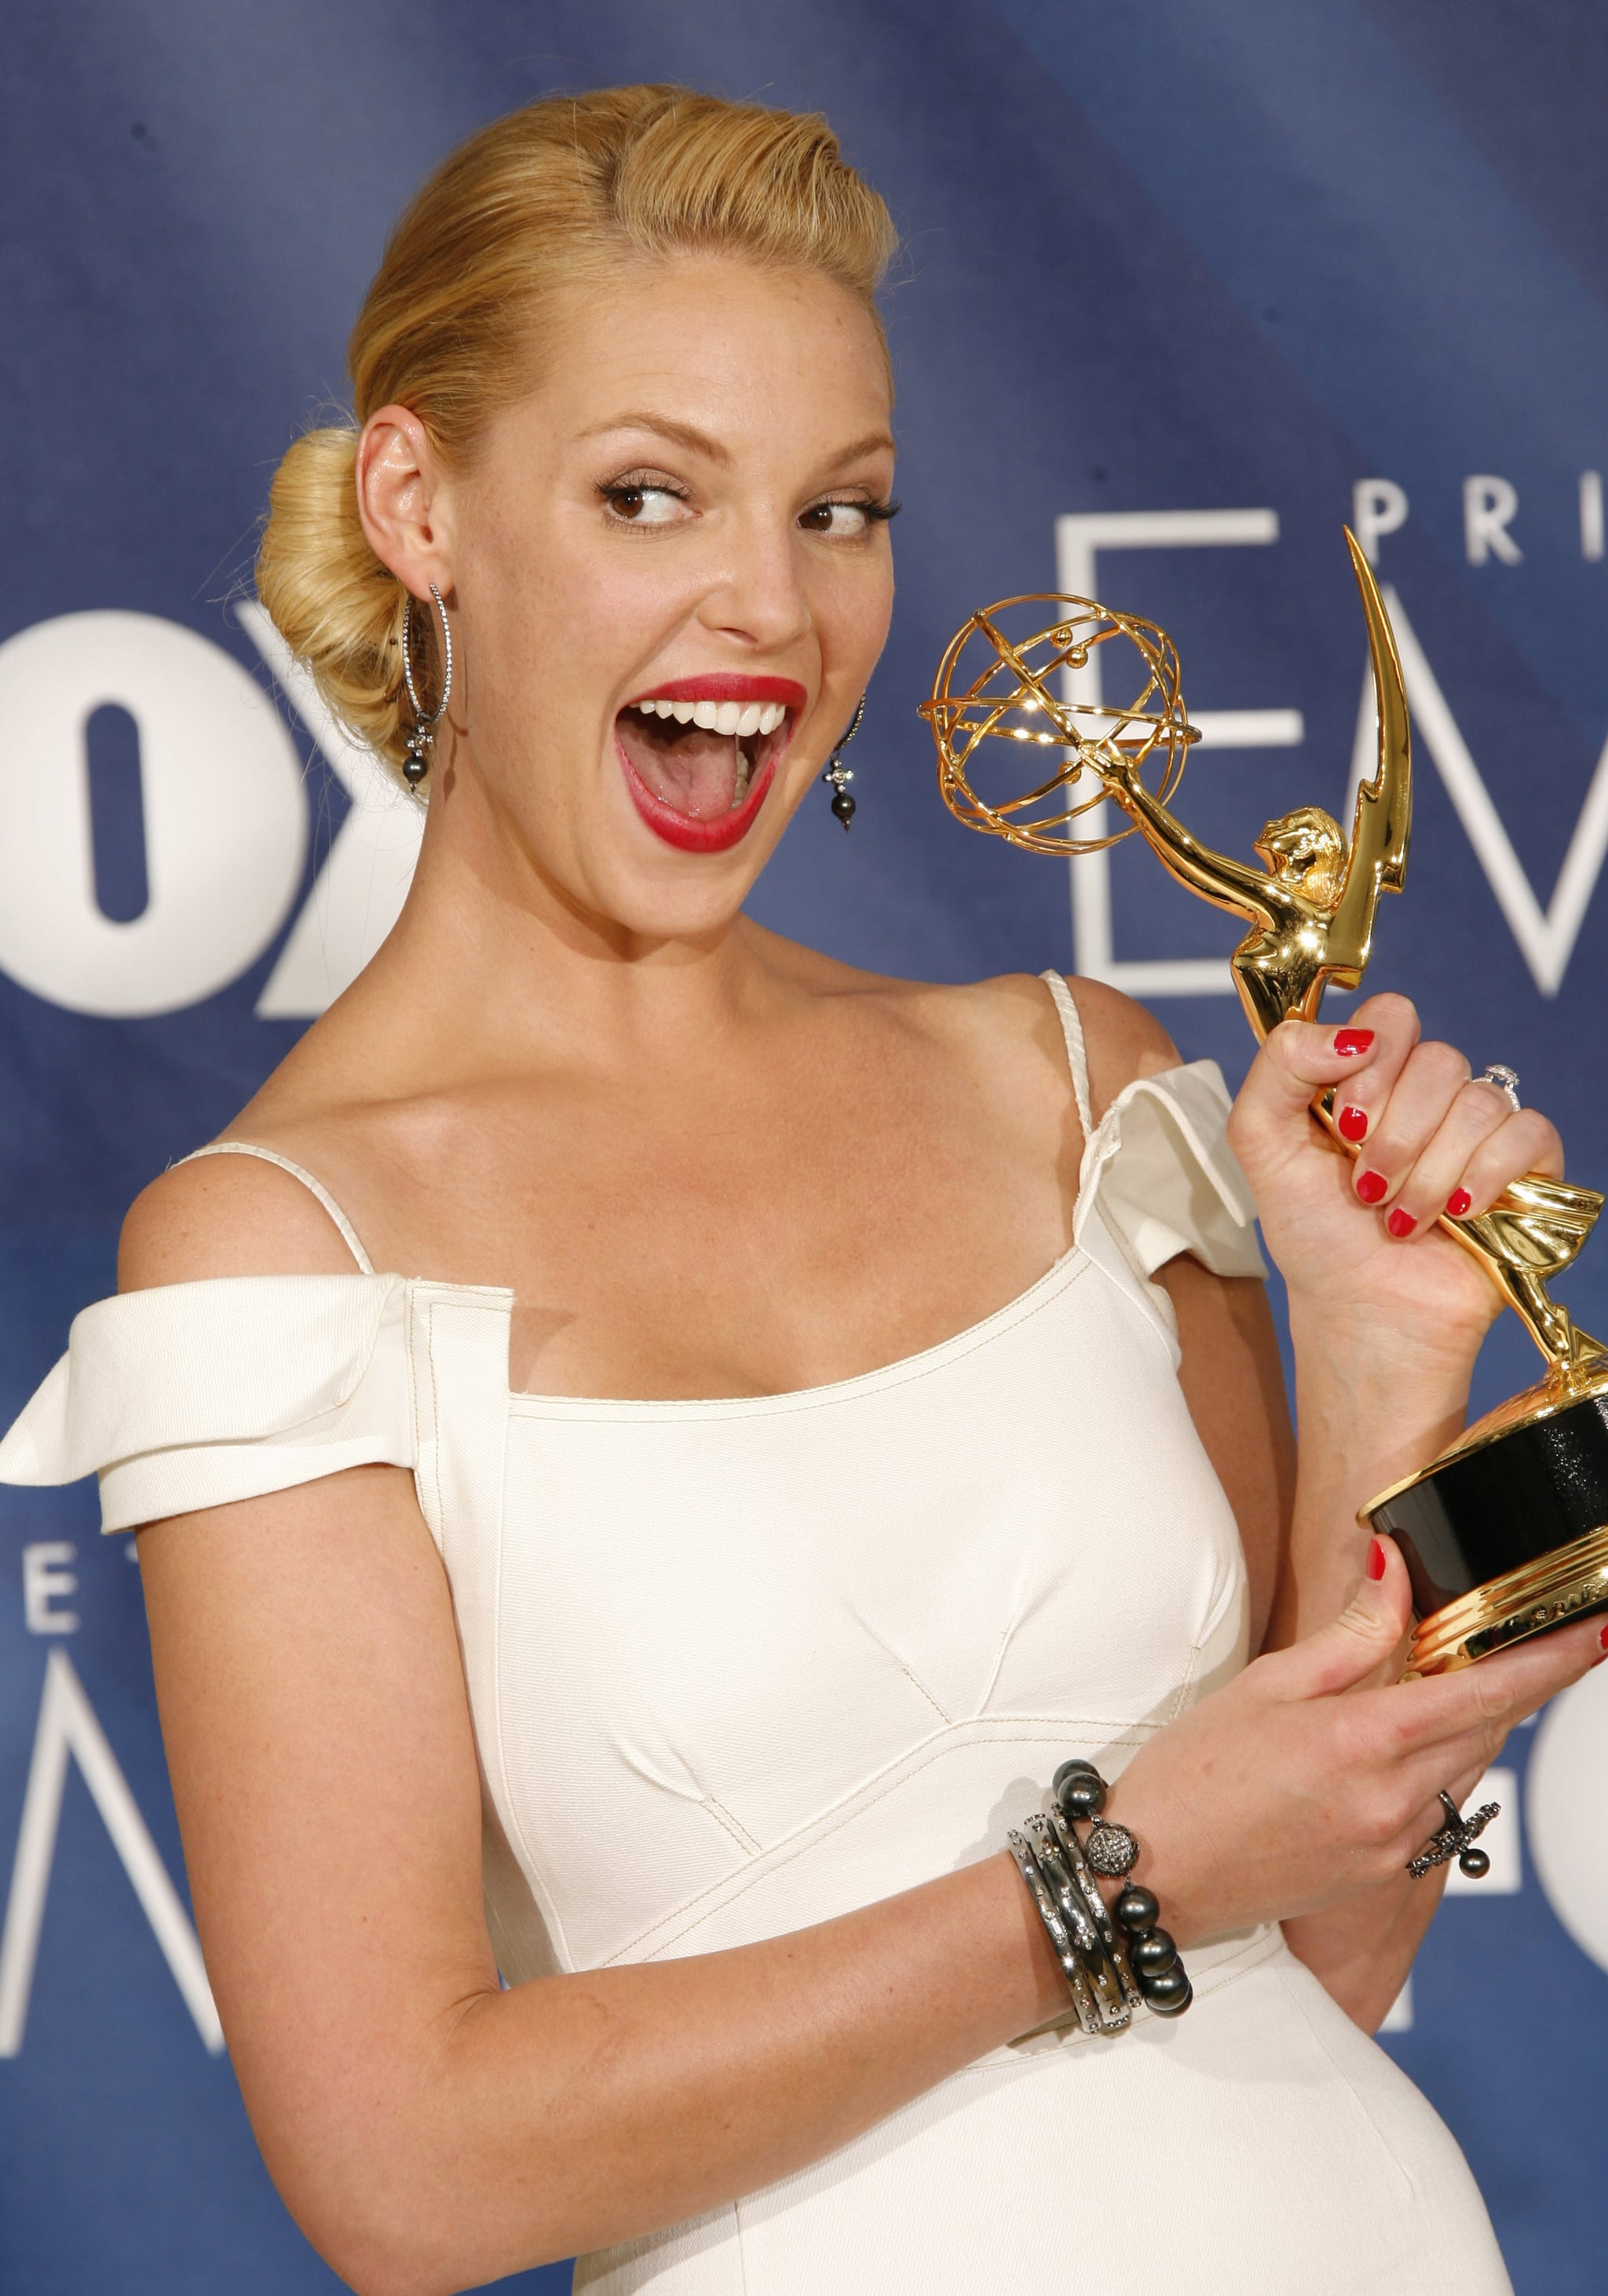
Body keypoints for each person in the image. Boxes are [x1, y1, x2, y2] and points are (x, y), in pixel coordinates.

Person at [1, 86, 1599, 2296]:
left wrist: (1378, 1353)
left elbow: (1321, 1950)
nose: (770, 602)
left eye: (841, 510)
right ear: (419, 500)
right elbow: (405, 2176)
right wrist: (1108, 1862)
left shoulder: (1067, 1080)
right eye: (650, 494)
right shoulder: (285, 1255)